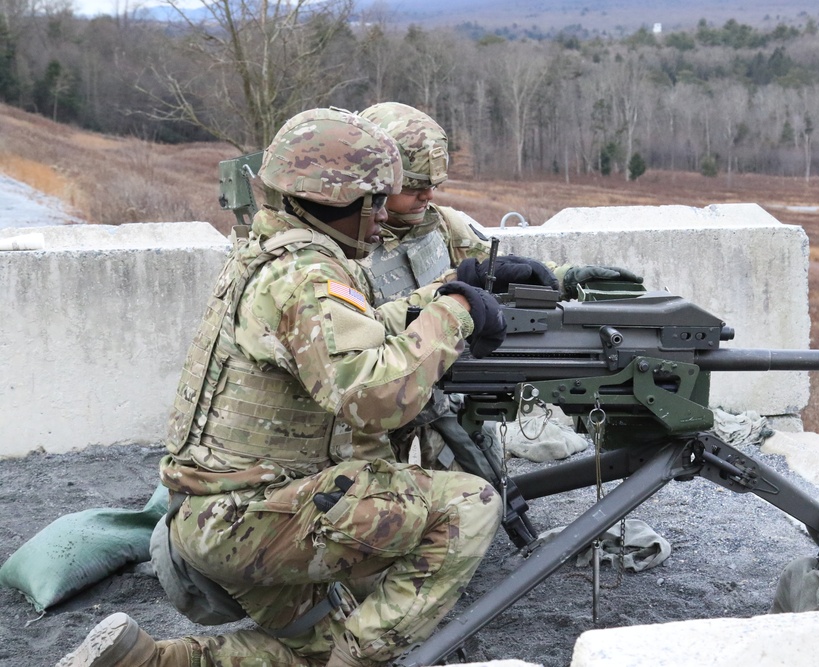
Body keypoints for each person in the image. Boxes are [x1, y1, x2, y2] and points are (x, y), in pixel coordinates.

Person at [57, 107, 505, 667]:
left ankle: (148, 661)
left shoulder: (271, 255)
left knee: (318, 648)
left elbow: (354, 336)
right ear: (346, 202)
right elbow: (375, 398)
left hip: (209, 515)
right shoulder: (307, 276)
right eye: (377, 202)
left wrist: (448, 290)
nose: (385, 217)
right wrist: (458, 314)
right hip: (254, 520)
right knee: (468, 504)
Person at [354, 101, 643, 481]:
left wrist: (565, 277)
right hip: (376, 394)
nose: (427, 196)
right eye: (413, 186)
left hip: (446, 384)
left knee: (476, 489)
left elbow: (498, 270)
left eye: (432, 185)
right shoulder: (348, 246)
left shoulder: (442, 225)